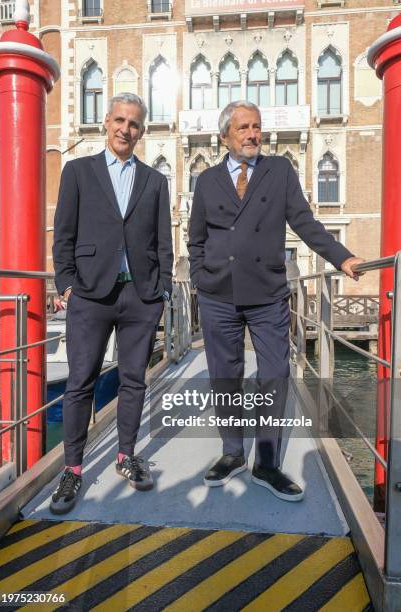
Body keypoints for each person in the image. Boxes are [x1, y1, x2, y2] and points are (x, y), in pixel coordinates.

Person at [188, 100, 364, 501]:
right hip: (218, 296)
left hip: (267, 293)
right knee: (225, 376)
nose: (253, 134)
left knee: (275, 375)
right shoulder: (207, 180)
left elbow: (303, 221)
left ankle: (266, 462)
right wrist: (200, 278)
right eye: (244, 128)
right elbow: (195, 238)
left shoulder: (279, 171)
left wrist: (342, 257)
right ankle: (232, 452)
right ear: (225, 137)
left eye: (257, 127)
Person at [51, 93, 173, 514]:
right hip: (89, 294)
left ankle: (126, 456)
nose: (126, 129)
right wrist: (66, 285)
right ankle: (72, 469)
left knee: (134, 380)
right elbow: (63, 234)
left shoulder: (156, 181)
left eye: (134, 123)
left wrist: (163, 291)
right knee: (80, 382)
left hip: (140, 297)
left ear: (142, 130)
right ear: (106, 123)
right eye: (119, 120)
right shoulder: (78, 171)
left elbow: (163, 243)